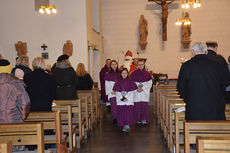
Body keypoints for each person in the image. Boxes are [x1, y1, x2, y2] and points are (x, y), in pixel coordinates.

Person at [177, 42, 230, 120]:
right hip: (215, 108)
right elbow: (226, 82)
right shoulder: (218, 65)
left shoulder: (186, 66)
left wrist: (189, 99)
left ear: (193, 52)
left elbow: (181, 88)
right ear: (206, 52)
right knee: (216, 130)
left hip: (194, 108)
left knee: (193, 131)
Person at [0, 59, 30, 123]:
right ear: (9, 69)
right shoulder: (16, 83)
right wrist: (23, 117)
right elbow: (25, 103)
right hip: (13, 121)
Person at [113, 68, 138, 132]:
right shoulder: (118, 82)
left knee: (128, 113)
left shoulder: (131, 81)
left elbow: (131, 92)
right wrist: (122, 98)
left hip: (128, 100)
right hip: (120, 100)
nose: (124, 74)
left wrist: (126, 98)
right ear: (121, 74)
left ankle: (127, 125)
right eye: (123, 73)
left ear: (127, 74)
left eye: (125, 73)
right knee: (122, 113)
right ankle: (124, 125)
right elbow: (117, 92)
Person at [130, 59, 152, 125]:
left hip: (144, 93)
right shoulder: (133, 73)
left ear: (144, 65)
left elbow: (149, 83)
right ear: (137, 65)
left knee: (144, 106)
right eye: (139, 65)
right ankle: (138, 120)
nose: (140, 66)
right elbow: (131, 82)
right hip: (136, 92)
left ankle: (144, 119)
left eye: (142, 64)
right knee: (137, 107)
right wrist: (137, 88)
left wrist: (142, 88)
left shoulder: (147, 74)